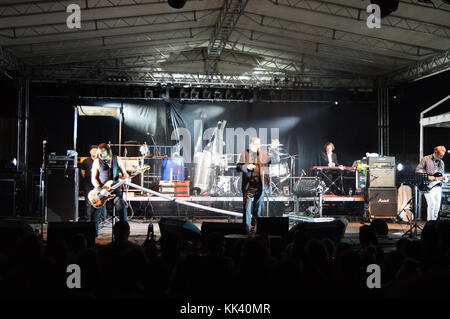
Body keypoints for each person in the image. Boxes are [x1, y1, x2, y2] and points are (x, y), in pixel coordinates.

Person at [236, 137, 279, 233]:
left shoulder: (264, 154)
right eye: (256, 144)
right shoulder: (244, 153)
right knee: (247, 209)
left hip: (261, 186)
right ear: (250, 145)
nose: (258, 146)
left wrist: (274, 150)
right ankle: (246, 230)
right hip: (248, 186)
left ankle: (256, 229)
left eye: (259, 144)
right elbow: (238, 166)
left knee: (258, 210)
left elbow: (276, 160)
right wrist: (246, 166)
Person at [91, 143, 129, 237]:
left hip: (115, 191)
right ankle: (92, 236)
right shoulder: (96, 161)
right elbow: (93, 178)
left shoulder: (117, 159)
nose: (99, 155)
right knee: (95, 213)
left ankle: (123, 235)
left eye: (102, 152)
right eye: (99, 153)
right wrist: (100, 189)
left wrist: (125, 177)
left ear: (108, 151)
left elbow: (125, 174)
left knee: (122, 206)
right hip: (102, 191)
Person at [416, 145, 446, 221]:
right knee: (431, 204)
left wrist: (443, 178)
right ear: (435, 152)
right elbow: (418, 170)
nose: (441, 157)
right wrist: (428, 177)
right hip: (427, 185)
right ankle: (430, 224)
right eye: (440, 155)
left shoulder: (441, 162)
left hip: (438, 186)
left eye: (443, 156)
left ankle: (434, 224)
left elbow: (441, 175)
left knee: (437, 207)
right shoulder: (426, 159)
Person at [80, 145, 101, 222]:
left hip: (98, 184)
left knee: (99, 201)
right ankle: (87, 218)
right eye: (93, 150)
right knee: (88, 201)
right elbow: (82, 171)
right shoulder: (86, 161)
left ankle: (99, 219)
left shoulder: (100, 161)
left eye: (96, 150)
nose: (94, 151)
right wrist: (86, 178)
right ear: (90, 152)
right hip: (88, 184)